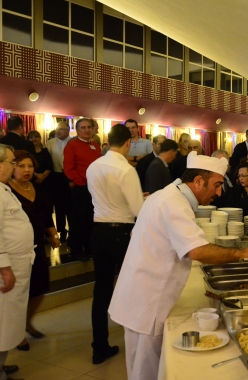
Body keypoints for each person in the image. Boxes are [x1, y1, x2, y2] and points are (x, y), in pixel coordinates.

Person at [108, 152, 248, 380]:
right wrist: (242, 252)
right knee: (145, 372)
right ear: (198, 181)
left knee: (139, 368)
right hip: (147, 300)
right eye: (217, 185)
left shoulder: (164, 195)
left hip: (138, 295)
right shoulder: (175, 204)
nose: (219, 192)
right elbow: (198, 251)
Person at [87, 124, 144, 364]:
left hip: (99, 230)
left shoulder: (93, 166)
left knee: (101, 289)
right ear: (128, 143)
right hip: (122, 233)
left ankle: (99, 346)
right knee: (133, 286)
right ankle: (139, 342)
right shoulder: (126, 169)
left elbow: (101, 199)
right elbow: (136, 209)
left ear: (108, 141)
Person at [0, 143, 34, 380]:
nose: (15, 166)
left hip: (13, 266)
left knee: (5, 325)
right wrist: (4, 268)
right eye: (12, 162)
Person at [8, 150, 60, 351]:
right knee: (19, 292)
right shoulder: (5, 190)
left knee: (39, 288)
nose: (26, 170)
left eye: (30, 166)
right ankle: (17, 332)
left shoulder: (37, 188)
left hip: (37, 245)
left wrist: (53, 235)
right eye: (21, 166)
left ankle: (27, 322)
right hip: (16, 248)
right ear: (12, 167)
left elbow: (46, 214)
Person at [64, 118, 101, 261]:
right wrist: (81, 182)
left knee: (91, 219)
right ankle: (76, 249)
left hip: (95, 188)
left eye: (89, 127)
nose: (86, 130)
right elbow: (68, 167)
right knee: (78, 219)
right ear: (77, 130)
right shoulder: (72, 145)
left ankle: (89, 246)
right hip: (81, 188)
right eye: (83, 127)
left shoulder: (95, 144)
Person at [46, 122, 72, 242]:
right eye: (57, 129)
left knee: (71, 206)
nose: (58, 131)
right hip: (55, 177)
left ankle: (73, 231)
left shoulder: (73, 142)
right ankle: (61, 230)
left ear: (68, 130)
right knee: (59, 207)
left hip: (70, 177)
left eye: (62, 129)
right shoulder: (50, 142)